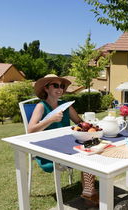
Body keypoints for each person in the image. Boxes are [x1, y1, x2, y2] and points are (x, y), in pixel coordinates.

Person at [28, 74, 98, 205]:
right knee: (86, 155)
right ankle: (90, 194)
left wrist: (90, 124)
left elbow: (79, 123)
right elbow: (30, 130)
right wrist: (50, 120)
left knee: (90, 151)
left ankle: (88, 192)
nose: (59, 88)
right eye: (55, 85)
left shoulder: (66, 106)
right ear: (46, 88)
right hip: (48, 149)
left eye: (62, 86)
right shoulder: (41, 106)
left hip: (66, 144)